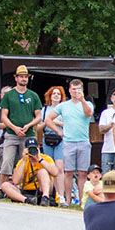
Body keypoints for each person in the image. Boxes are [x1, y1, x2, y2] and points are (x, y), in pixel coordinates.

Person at [48, 79, 94, 207]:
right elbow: (48, 119)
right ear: (69, 90)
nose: (75, 91)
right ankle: (67, 200)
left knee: (83, 172)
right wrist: (58, 131)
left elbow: (88, 113)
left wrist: (82, 100)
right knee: (68, 171)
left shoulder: (88, 104)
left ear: (82, 90)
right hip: (68, 142)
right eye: (73, 89)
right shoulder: (64, 105)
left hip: (83, 141)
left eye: (78, 89)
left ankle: (81, 201)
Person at [0, 65, 42, 187]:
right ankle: (3, 188)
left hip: (28, 134)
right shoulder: (9, 95)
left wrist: (29, 125)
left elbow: (38, 116)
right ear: (16, 78)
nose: (23, 79)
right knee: (7, 161)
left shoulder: (33, 95)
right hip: (12, 134)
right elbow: (3, 116)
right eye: (21, 77)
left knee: (26, 161)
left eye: (25, 77)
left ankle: (22, 187)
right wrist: (14, 128)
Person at [0, 138, 60, 206]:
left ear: (38, 148)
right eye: (30, 149)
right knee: (5, 185)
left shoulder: (46, 158)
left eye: (34, 148)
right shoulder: (23, 161)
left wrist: (39, 159)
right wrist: (24, 160)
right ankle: (26, 200)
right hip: (26, 191)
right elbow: (16, 181)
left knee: (42, 171)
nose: (32, 151)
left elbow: (55, 173)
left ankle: (45, 198)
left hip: (42, 189)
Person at [38, 85, 67, 204]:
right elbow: (39, 128)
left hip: (60, 139)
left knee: (59, 167)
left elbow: (68, 125)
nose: (56, 95)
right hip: (47, 139)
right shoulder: (44, 110)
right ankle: (49, 193)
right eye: (54, 93)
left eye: (58, 94)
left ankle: (61, 195)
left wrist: (55, 122)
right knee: (48, 166)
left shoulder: (64, 109)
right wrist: (47, 122)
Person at [98, 87, 115, 172]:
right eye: (114, 94)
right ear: (111, 98)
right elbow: (101, 130)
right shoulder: (105, 113)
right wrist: (112, 124)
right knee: (106, 174)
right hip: (108, 149)